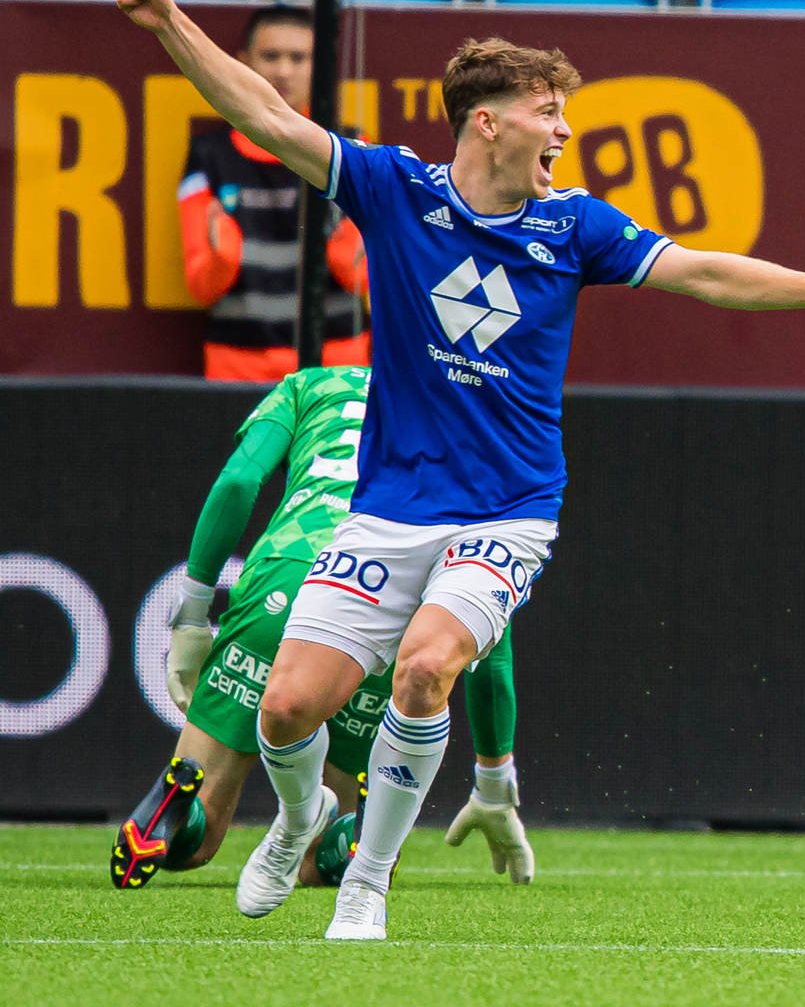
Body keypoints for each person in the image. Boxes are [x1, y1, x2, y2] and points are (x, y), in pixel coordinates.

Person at [113, 0, 805, 942]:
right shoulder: (396, 192)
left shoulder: (573, 226)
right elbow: (261, 113)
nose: (564, 133)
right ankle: (297, 821)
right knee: (284, 710)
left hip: (508, 510)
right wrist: (169, 22)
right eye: (549, 113)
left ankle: (367, 878)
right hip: (388, 507)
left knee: (425, 667)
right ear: (486, 122)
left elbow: (702, 270)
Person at [110, 366, 533, 892]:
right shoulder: (469, 414)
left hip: (282, 582)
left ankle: (177, 811)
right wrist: (494, 783)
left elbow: (238, 481)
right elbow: (489, 648)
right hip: (385, 598)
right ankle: (347, 840)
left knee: (197, 841)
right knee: (316, 864)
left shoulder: (311, 385)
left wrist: (193, 613)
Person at [177, 5, 371, 381]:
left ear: (320, 66)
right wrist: (223, 257)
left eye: (298, 58)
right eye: (270, 56)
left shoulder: (350, 148)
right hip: (237, 366)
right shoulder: (209, 157)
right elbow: (201, 286)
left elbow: (364, 277)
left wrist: (347, 249)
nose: (284, 70)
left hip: (337, 367)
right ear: (243, 62)